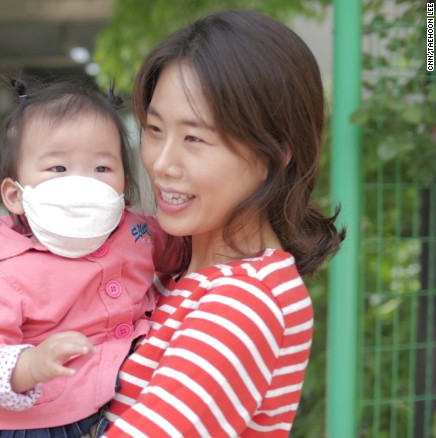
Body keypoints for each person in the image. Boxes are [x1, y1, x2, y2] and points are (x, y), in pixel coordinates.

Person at [97, 9, 346, 437]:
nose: (162, 163)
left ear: (276, 152)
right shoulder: (174, 270)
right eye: (154, 130)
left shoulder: (246, 301)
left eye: (195, 138)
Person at [0, 78, 183, 437]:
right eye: (58, 169)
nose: (83, 183)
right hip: (23, 427)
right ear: (15, 195)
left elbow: (188, 253)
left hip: (100, 412)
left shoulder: (138, 233)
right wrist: (28, 365)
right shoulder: (2, 272)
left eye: (102, 169)